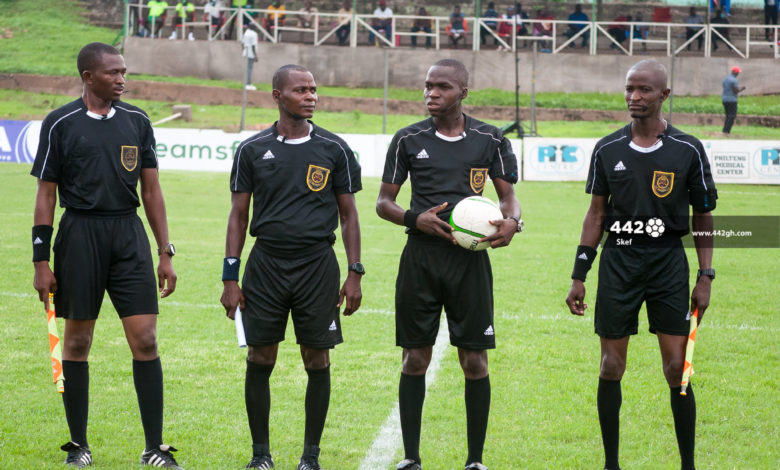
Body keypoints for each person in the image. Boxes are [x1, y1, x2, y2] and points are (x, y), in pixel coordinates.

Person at [31, 42, 181, 469]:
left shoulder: (137, 120)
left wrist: (164, 251)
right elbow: (45, 194)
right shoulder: (60, 122)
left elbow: (151, 190)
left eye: (124, 72)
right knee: (77, 341)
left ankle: (155, 448)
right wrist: (40, 261)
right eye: (113, 72)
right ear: (88, 76)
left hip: (128, 233)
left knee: (146, 339)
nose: (122, 79)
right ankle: (78, 446)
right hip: (79, 233)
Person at [565, 59, 716, 470]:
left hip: (668, 263)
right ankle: (611, 464)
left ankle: (688, 464)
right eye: (630, 88)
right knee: (611, 364)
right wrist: (580, 274)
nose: (635, 96)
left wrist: (705, 275)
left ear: (664, 95)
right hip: (618, 262)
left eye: (645, 90)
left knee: (675, 368)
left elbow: (703, 215)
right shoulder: (607, 148)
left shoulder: (688, 149)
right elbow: (596, 215)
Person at [376, 59, 522, 470]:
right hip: (421, 258)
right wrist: (413, 218)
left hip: (469, 262)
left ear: (463, 92)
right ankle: (410, 458)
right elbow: (383, 202)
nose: (431, 94)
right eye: (427, 86)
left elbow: (508, 196)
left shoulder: (490, 139)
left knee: (474, 360)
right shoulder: (408, 139)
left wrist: (513, 222)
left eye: (441, 87)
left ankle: (475, 461)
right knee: (415, 358)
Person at [220, 64, 363, 470]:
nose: (311, 96)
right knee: (260, 357)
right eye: (301, 90)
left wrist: (355, 271)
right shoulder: (251, 149)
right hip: (265, 265)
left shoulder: (335, 149)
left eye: (314, 89)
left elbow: (350, 215)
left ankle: (310, 457)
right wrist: (231, 276)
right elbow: (237, 216)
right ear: (277, 96)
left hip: (318, 265)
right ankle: (260, 455)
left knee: (316, 359)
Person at [721, 65, 745, 135]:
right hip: (732, 100)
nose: (738, 74)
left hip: (724, 99)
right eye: (738, 73)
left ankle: (725, 130)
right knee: (732, 116)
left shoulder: (725, 79)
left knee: (728, 115)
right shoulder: (734, 80)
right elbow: (735, 90)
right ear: (736, 73)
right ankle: (727, 131)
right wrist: (741, 89)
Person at [242, 23, 259, 90]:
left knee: (247, 68)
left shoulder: (246, 33)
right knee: (249, 69)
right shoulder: (254, 34)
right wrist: (255, 55)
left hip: (245, 53)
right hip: (251, 54)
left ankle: (247, 84)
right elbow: (253, 46)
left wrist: (243, 51)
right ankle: (248, 84)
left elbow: (242, 44)